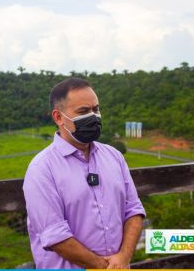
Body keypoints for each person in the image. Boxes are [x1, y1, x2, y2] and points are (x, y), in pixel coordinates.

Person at [22, 77, 146, 269]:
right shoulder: (42, 169)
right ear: (58, 117)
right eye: (83, 111)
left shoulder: (114, 156)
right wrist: (104, 267)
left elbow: (134, 210)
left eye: (96, 109)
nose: (94, 116)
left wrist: (123, 258)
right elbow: (55, 235)